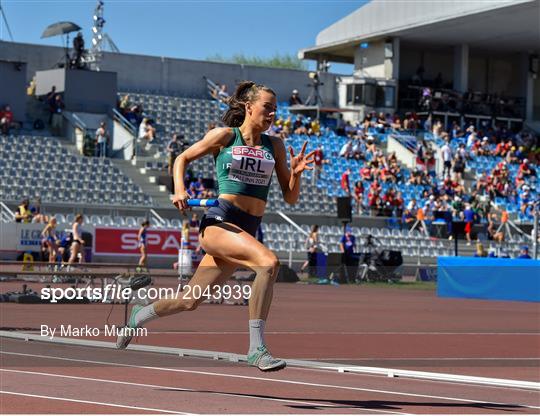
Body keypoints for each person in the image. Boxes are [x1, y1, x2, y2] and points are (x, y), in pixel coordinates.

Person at [117, 81, 315, 372]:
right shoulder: (225, 136)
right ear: (249, 107)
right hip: (219, 223)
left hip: (245, 229)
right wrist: (180, 190)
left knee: (189, 301)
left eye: (276, 109)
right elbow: (182, 158)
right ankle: (256, 349)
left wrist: (295, 175)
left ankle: (138, 316)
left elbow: (291, 197)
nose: (273, 114)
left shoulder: (275, 145)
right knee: (268, 264)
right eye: (267, 107)